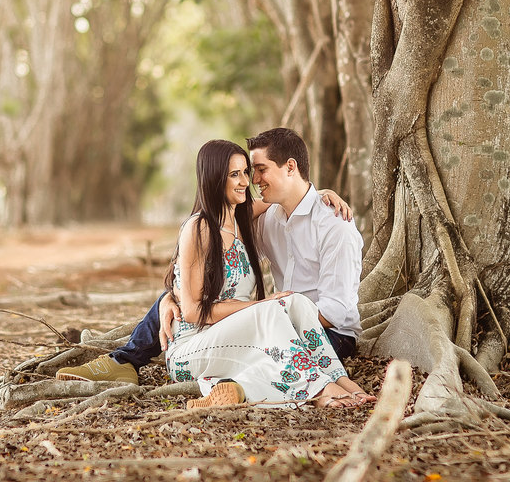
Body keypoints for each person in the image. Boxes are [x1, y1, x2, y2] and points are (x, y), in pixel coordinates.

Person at [57, 128, 366, 400]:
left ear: (289, 167)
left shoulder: (306, 222)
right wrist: (169, 297)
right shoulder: (238, 223)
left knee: (284, 313)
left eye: (254, 170)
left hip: (321, 331)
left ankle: (324, 387)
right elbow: (194, 294)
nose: (251, 181)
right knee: (274, 317)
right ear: (215, 177)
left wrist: (319, 195)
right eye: (241, 173)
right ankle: (124, 361)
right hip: (224, 332)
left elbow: (299, 198)